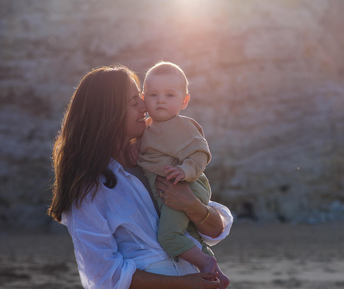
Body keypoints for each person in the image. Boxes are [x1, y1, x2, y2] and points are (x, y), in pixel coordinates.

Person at [47, 65, 233, 289]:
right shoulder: (88, 189)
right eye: (135, 102)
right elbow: (105, 274)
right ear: (109, 113)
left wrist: (192, 205)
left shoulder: (152, 159)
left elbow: (215, 231)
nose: (145, 107)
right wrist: (183, 284)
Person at [136, 61, 229, 288]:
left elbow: (200, 154)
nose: (160, 100)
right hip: (170, 188)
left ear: (184, 101)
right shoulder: (147, 127)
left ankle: (206, 264)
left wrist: (184, 170)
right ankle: (216, 272)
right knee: (190, 236)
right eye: (153, 94)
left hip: (185, 185)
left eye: (170, 95)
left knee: (168, 237)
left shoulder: (182, 126)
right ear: (143, 98)